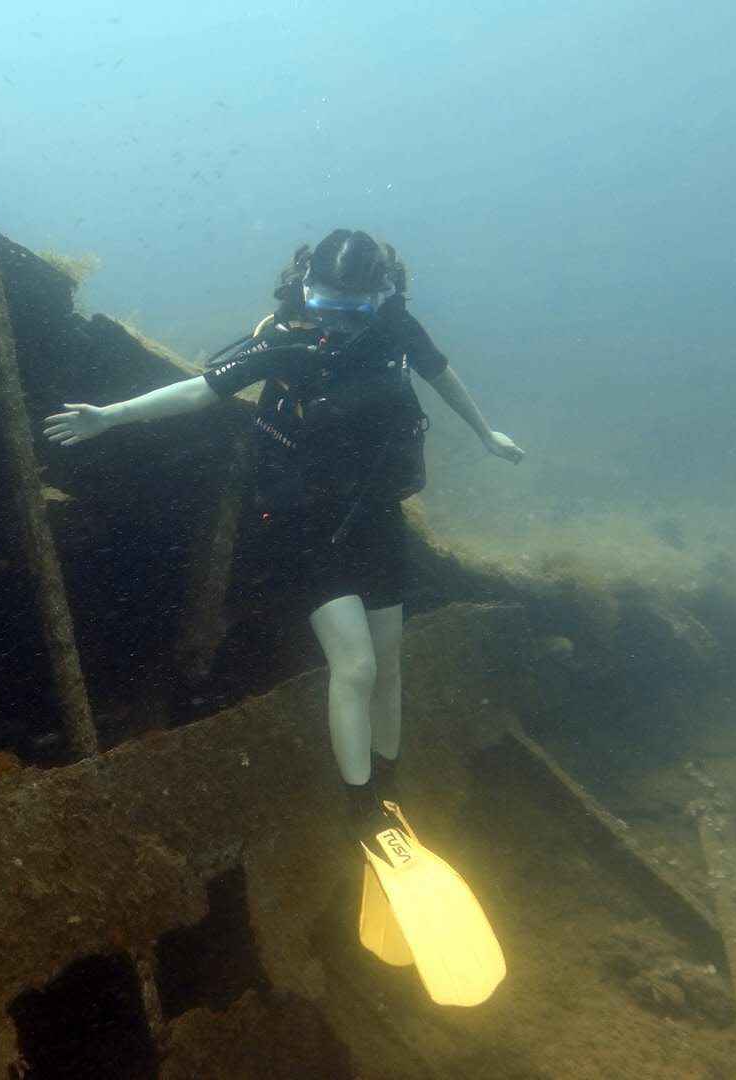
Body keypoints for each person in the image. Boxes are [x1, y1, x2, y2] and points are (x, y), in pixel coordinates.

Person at [43, 230, 520, 1002]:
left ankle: (386, 795)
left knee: (391, 663)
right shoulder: (285, 342)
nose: (334, 317)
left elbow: (442, 377)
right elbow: (202, 388)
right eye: (324, 301)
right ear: (304, 289)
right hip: (301, 528)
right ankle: (364, 811)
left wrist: (485, 434)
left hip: (372, 519)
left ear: (382, 295)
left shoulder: (395, 326)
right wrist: (114, 416)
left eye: (352, 304)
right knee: (356, 665)